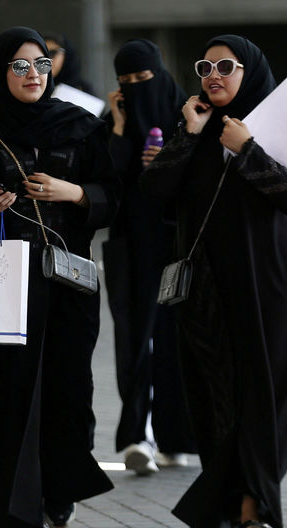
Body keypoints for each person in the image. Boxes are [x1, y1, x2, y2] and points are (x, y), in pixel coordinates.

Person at [0, 26, 119, 528]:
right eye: (19, 66)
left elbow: (117, 196)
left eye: (40, 65)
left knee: (68, 392)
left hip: (68, 284)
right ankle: (23, 519)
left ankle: (58, 487)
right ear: (1, 71)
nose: (32, 76)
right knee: (11, 394)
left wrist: (76, 192)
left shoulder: (82, 126)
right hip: (4, 284)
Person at [141, 34, 287, 528]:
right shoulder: (193, 127)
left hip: (270, 291)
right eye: (205, 66)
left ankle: (253, 503)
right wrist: (190, 136)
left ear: (250, 72)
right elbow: (155, 195)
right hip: (206, 292)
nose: (212, 75)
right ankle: (229, 500)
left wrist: (246, 150)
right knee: (218, 395)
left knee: (267, 393)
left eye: (225, 66)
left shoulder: (285, 127)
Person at [102, 39, 197, 475]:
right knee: (133, 338)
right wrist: (120, 127)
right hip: (131, 249)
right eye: (126, 81)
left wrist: (171, 161)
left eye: (144, 78)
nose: (137, 88)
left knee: (176, 340)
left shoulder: (189, 116)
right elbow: (105, 178)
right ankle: (136, 434)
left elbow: (203, 181)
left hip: (178, 247)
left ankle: (176, 436)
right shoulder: (113, 121)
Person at [41, 31, 97, 96]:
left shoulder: (83, 90)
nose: (47, 59)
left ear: (67, 54)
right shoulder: (33, 88)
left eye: (52, 53)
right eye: (42, 54)